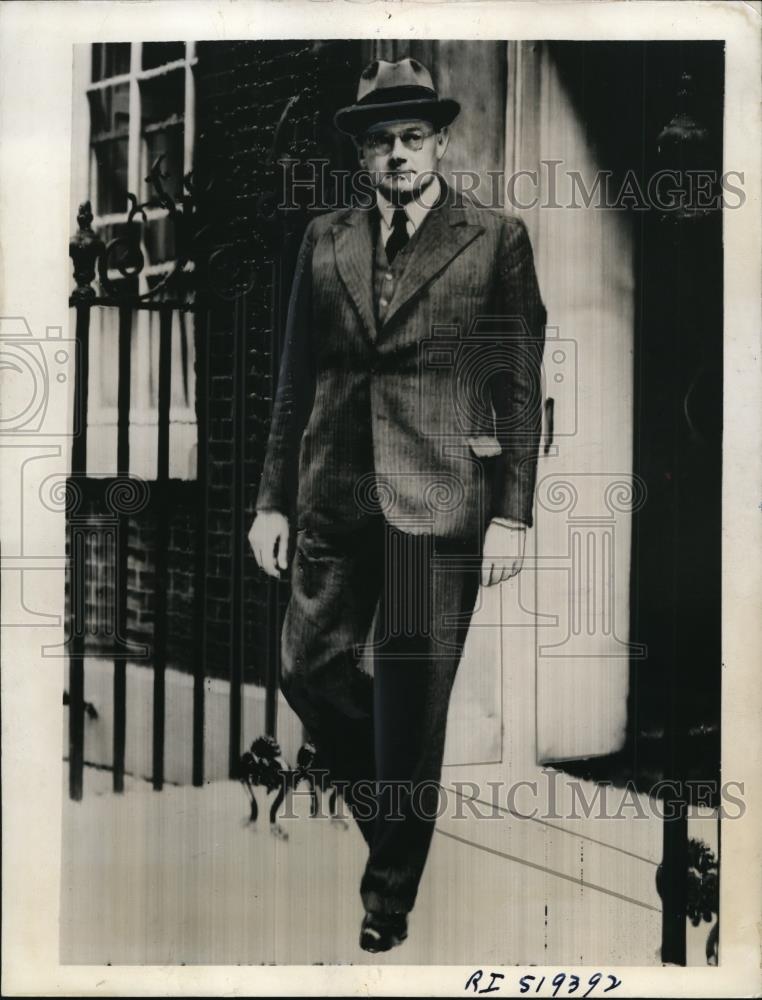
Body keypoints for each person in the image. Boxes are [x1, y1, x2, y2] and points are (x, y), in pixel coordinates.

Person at [249, 56, 547, 953]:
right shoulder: (324, 240)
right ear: (363, 156)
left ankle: (387, 900)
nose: (398, 155)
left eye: (413, 137)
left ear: (441, 142)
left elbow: (518, 386)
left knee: (412, 700)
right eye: (381, 142)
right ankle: (397, 810)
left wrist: (512, 512)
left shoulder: (494, 239)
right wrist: (272, 502)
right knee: (307, 669)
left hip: (436, 507)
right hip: (334, 502)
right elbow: (294, 380)